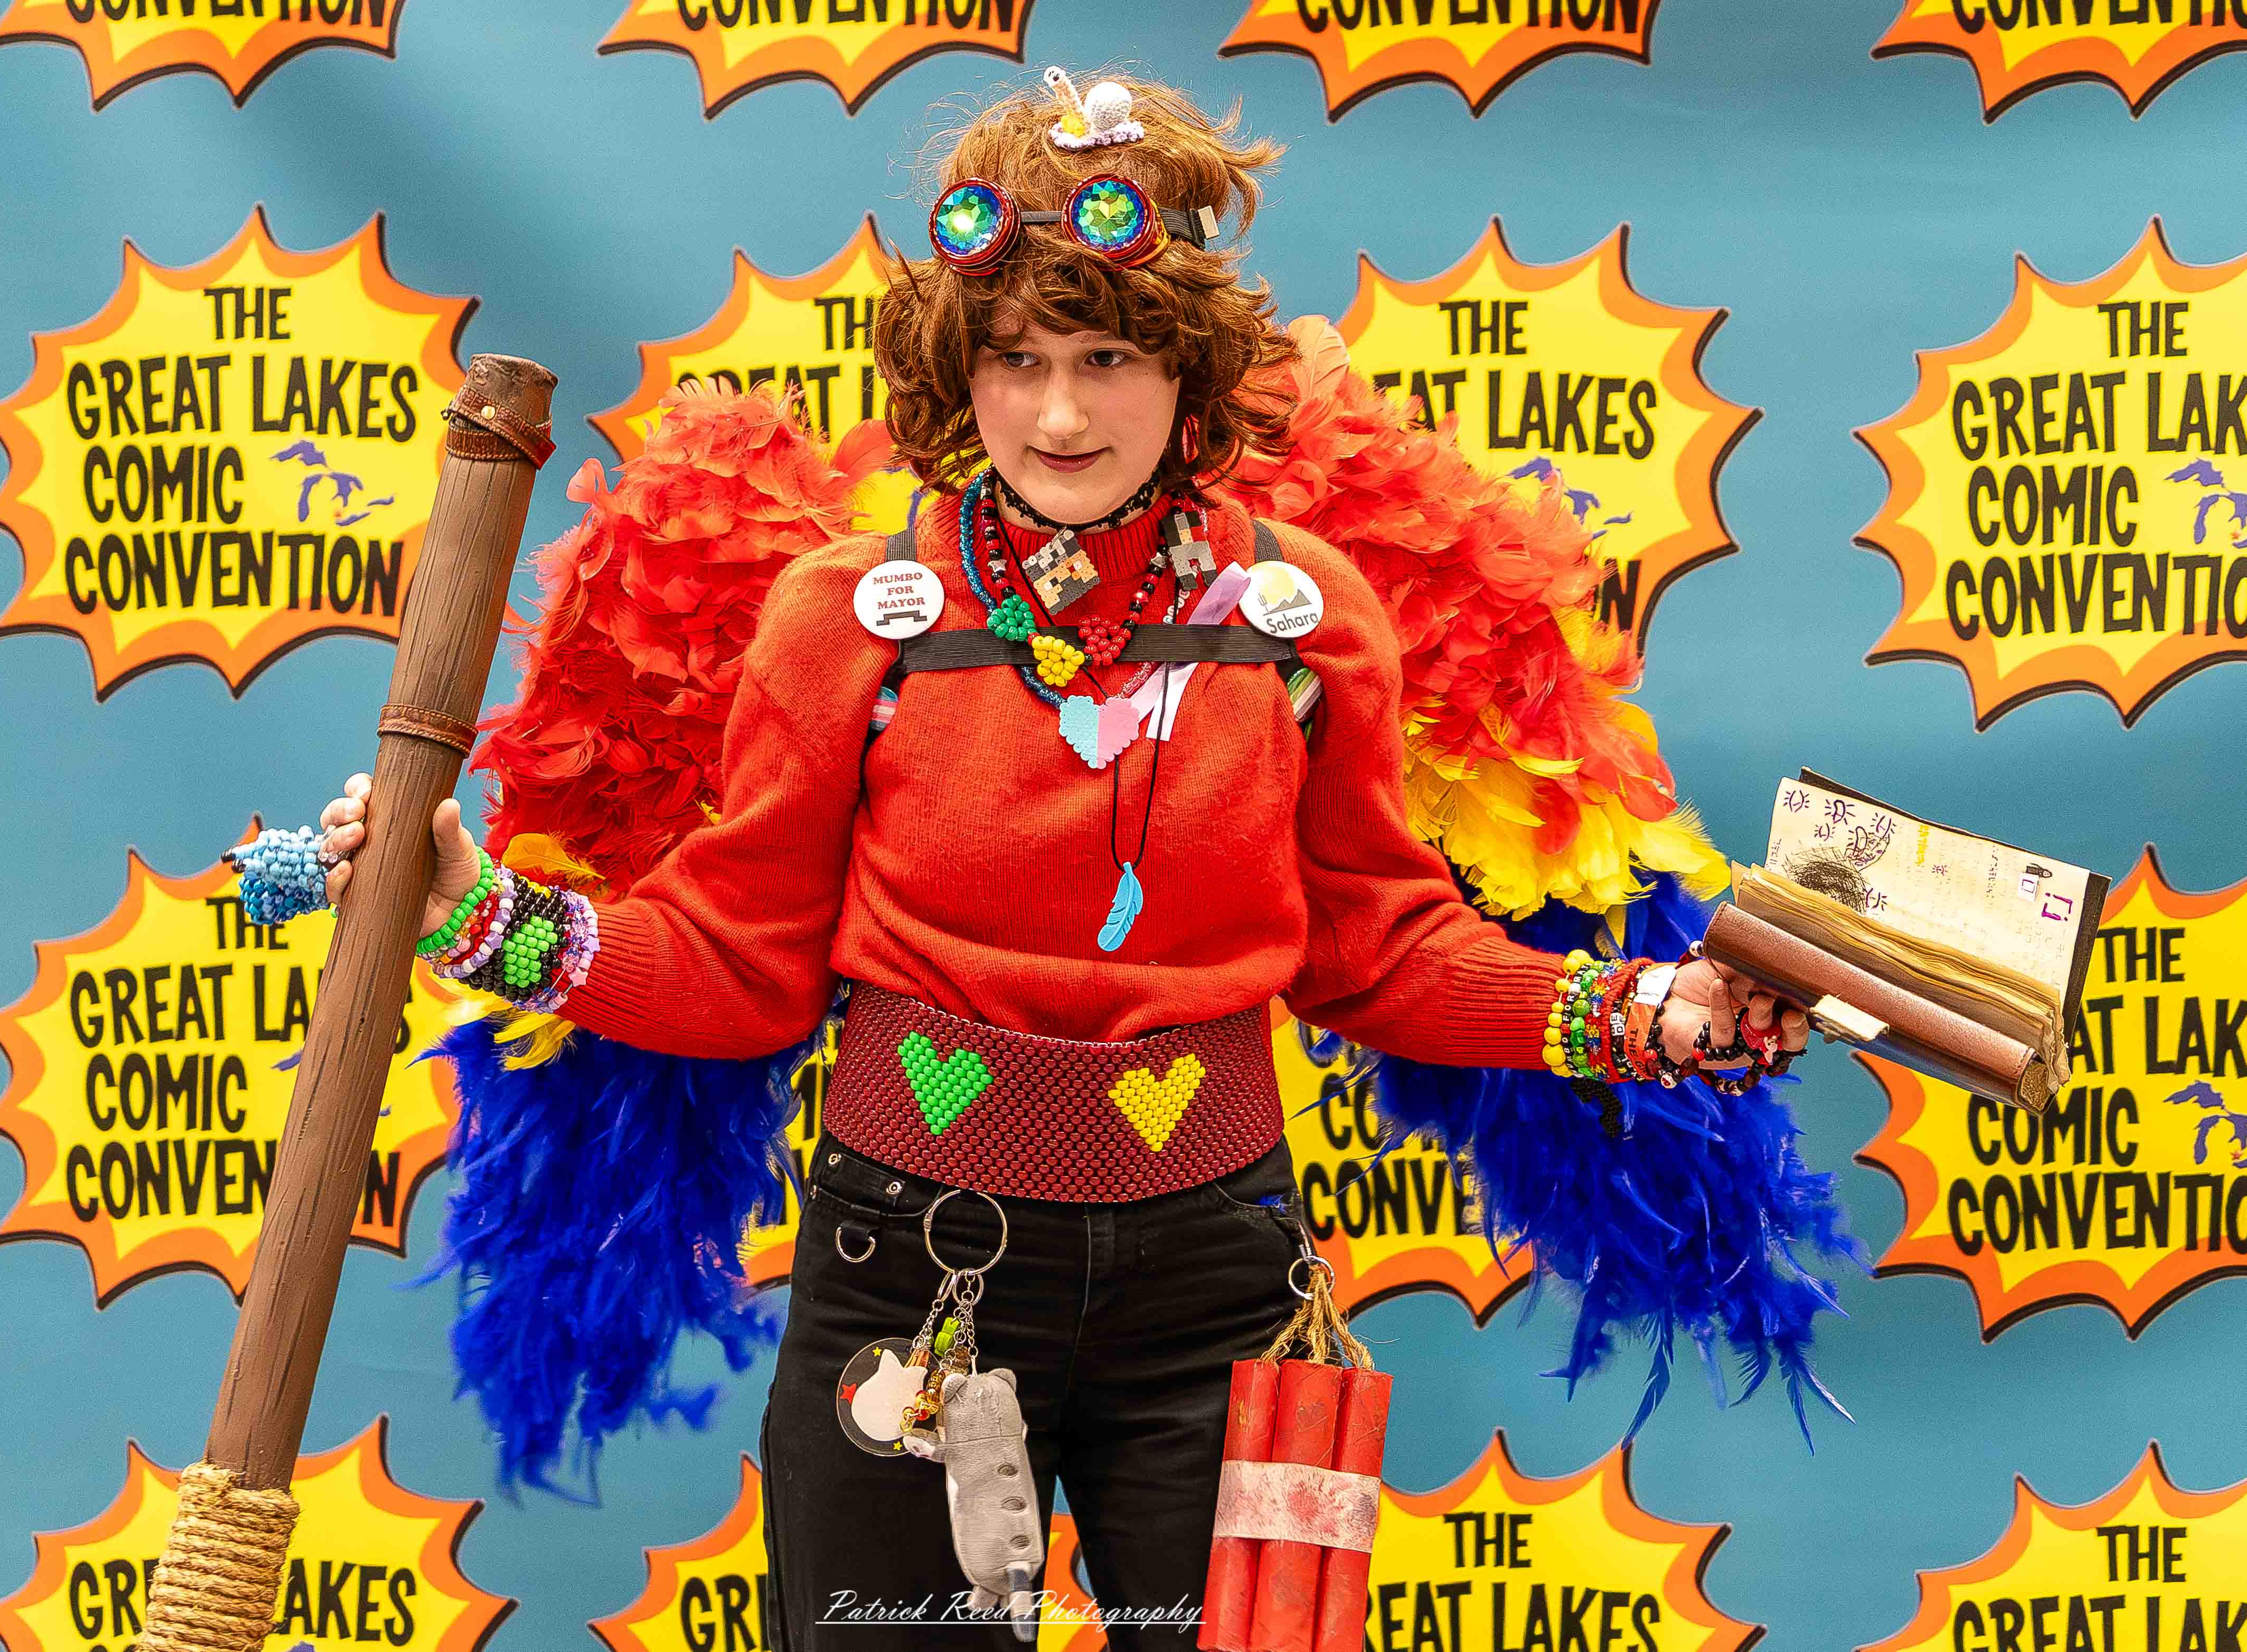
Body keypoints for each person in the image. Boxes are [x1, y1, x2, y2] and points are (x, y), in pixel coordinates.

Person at [304, 72, 1824, 1650]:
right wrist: (472, 912)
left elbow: (1382, 956)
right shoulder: (849, 620)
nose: (1057, 413)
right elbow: (736, 968)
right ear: (960, 367)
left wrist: (1648, 1012)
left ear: (1187, 360)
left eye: (1107, 356)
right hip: (912, 1283)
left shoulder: (1302, 623)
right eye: (1017, 357)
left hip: (1222, 1293)